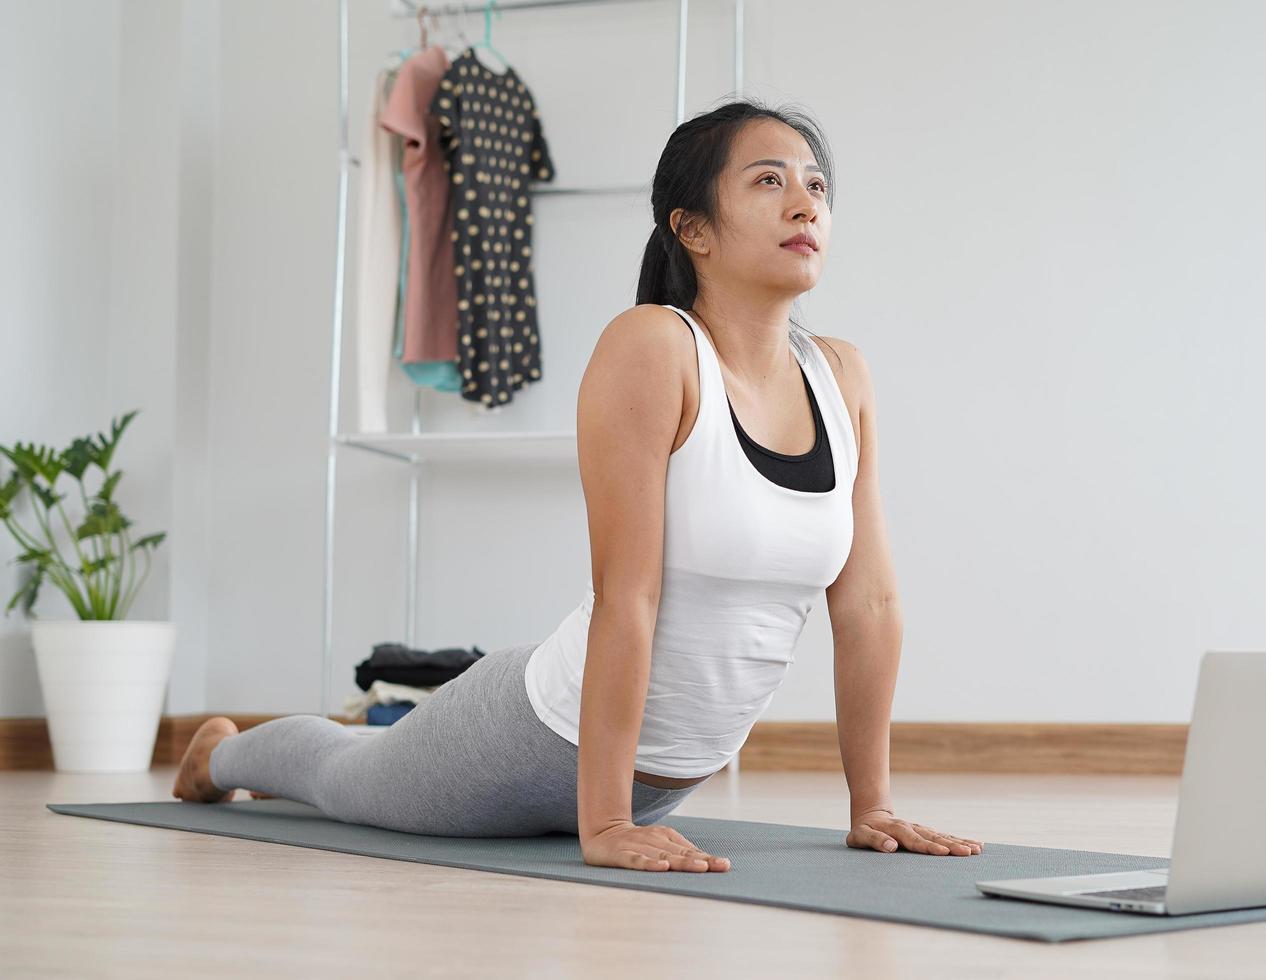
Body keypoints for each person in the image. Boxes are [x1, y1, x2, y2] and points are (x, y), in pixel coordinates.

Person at [173, 98, 983, 873]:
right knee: (346, 778)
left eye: (816, 184)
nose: (805, 203)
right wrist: (604, 822)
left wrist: (870, 805)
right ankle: (220, 755)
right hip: (532, 735)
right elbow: (627, 593)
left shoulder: (842, 375)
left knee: (361, 765)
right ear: (692, 228)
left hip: (661, 779)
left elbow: (869, 603)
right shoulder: (654, 347)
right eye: (769, 180)